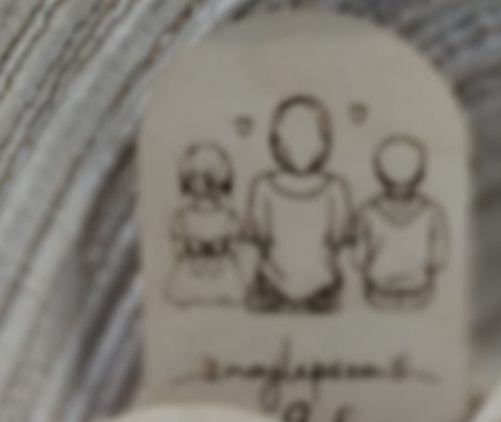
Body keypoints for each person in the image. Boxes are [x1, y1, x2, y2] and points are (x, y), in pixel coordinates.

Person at [244, 95, 353, 312]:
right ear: (325, 143)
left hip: (274, 285)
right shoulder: (335, 187)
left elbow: (259, 236)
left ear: (275, 143)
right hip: (322, 286)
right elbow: (339, 237)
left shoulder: (263, 185)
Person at [352, 134, 448, 309]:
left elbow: (359, 258)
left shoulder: (367, 212)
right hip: (420, 293)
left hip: (378, 293)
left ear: (378, 174)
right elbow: (439, 259)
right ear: (421, 174)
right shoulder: (433, 211)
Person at [165, 142, 245, 306]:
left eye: (209, 179)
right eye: (196, 178)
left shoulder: (229, 217)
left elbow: (235, 247)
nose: (202, 185)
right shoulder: (182, 217)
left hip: (219, 277)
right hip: (195, 277)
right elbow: (178, 248)